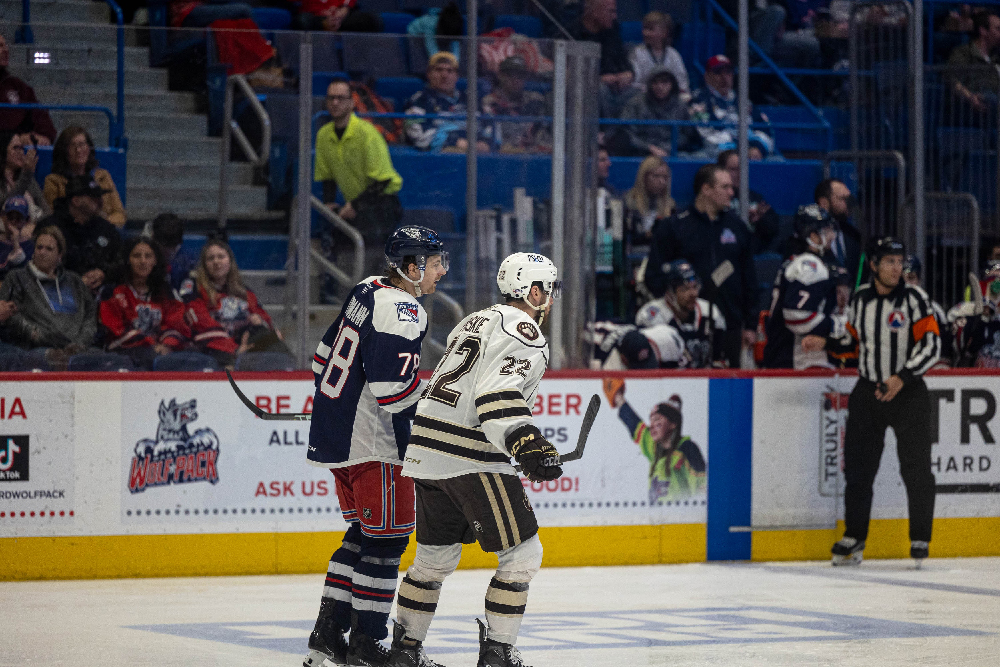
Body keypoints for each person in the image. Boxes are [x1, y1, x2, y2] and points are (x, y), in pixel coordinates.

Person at [387, 252, 563, 667]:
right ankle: (498, 653)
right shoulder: (526, 331)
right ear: (534, 291)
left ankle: (404, 653)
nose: (550, 299)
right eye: (548, 289)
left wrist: (521, 439)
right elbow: (495, 395)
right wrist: (526, 442)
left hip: (426, 452)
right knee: (522, 556)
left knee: (432, 561)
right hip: (470, 455)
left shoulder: (475, 319)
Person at [303, 226, 449, 667]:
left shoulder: (366, 289)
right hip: (375, 445)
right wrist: (437, 409)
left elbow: (319, 359)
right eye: (436, 262)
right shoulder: (404, 309)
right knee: (387, 543)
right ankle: (367, 645)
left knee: (362, 535)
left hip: (338, 437)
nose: (442, 270)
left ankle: (327, 634)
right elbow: (391, 391)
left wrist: (344, 402)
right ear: (411, 267)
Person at [823, 237, 940, 567]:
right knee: (858, 470)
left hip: (908, 394)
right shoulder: (860, 299)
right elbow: (850, 341)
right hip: (868, 393)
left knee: (916, 469)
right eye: (888, 261)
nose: (896, 267)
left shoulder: (915, 298)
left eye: (899, 261)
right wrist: (825, 339)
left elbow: (931, 346)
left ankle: (920, 537)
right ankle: (854, 535)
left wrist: (901, 377)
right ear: (873, 265)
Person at [645, 164, 757, 368]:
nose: (732, 193)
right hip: (684, 329)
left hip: (729, 327)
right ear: (706, 189)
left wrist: (750, 324)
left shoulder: (738, 227)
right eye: (725, 187)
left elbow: (749, 278)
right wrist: (677, 312)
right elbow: (654, 276)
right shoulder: (674, 227)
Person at [316, 78, 404, 277]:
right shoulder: (324, 135)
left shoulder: (367, 133)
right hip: (356, 204)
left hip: (382, 203)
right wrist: (329, 202)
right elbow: (327, 176)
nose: (335, 103)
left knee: (368, 250)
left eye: (341, 98)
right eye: (331, 98)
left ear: (351, 102)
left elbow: (383, 181)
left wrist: (355, 205)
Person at [761, 205, 845, 370]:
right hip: (797, 360)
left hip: (785, 357)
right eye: (826, 231)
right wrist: (836, 325)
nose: (832, 236)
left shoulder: (797, 261)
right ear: (813, 236)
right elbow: (797, 315)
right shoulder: (810, 264)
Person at [180, 238, 290, 362]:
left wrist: (263, 326)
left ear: (230, 261)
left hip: (243, 346)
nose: (216, 262)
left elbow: (264, 319)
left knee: (274, 344)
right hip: (213, 347)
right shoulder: (195, 289)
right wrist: (235, 349)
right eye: (210, 258)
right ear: (204, 265)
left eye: (221, 257)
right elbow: (200, 323)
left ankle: (289, 374)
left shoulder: (244, 292)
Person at [0, 226, 97, 362]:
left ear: (60, 255)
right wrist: (40, 337)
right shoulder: (17, 278)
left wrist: (79, 344)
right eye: (39, 247)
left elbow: (90, 316)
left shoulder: (74, 281)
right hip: (36, 350)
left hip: (78, 349)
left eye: (49, 249)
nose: (42, 252)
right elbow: (10, 316)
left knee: (114, 361)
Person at [602, 380, 706, 504]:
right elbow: (634, 423)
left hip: (679, 518)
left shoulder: (687, 449)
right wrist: (618, 397)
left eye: (657, 420)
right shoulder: (655, 448)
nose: (652, 426)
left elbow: (702, 489)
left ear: (673, 424)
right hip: (657, 518)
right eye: (651, 420)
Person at [98, 237, 190, 370]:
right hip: (122, 356)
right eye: (136, 256)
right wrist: (151, 345)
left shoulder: (167, 293)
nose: (143, 261)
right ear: (127, 260)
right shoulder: (111, 292)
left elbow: (176, 324)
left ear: (155, 261)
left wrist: (167, 344)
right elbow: (115, 329)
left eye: (148, 256)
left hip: (160, 353)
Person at [636, 259, 726, 368]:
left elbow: (719, 360)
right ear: (670, 293)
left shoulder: (710, 312)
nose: (693, 293)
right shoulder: (652, 316)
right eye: (685, 289)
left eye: (695, 287)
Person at [170, 1, 284, 86]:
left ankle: (260, 56)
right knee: (244, 11)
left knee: (243, 17)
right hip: (186, 12)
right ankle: (260, 56)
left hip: (201, 6)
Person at [41, 175, 122, 293]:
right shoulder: (51, 227)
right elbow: (41, 264)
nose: (100, 201)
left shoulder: (106, 228)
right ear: (76, 201)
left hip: (100, 292)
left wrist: (104, 273)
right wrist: (75, 280)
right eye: (93, 198)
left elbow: (120, 261)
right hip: (58, 292)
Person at [688, 55, 774, 158]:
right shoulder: (697, 101)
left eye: (728, 72)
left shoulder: (744, 102)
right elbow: (704, 133)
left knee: (778, 161)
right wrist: (739, 150)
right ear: (707, 76)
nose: (724, 77)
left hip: (748, 154)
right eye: (718, 72)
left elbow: (766, 128)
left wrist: (757, 147)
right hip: (716, 156)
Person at [405, 52, 490, 153]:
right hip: (443, 156)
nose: (444, 75)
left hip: (480, 153)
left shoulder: (472, 100)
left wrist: (486, 142)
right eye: (438, 70)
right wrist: (454, 141)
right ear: (429, 74)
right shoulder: (418, 101)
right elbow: (419, 137)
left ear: (457, 76)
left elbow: (490, 126)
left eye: (450, 71)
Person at [43, 126, 126, 228]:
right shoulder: (53, 181)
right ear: (64, 151)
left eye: (82, 145)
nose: (78, 150)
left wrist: (102, 225)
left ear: (89, 147)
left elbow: (119, 214)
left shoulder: (103, 176)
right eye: (72, 146)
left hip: (104, 230)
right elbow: (53, 217)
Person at [571, 0, 635, 117]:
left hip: (617, 87)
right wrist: (598, 79)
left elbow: (624, 62)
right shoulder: (570, 34)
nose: (614, 16)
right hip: (589, 89)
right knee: (600, 91)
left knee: (638, 94)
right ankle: (605, 132)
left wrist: (628, 74)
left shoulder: (613, 32)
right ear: (595, 12)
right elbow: (569, 73)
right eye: (611, 12)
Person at [617, 68, 695, 158]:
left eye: (664, 82)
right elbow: (625, 133)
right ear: (649, 84)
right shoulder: (636, 103)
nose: (660, 87)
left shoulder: (680, 106)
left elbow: (688, 134)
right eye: (655, 82)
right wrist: (649, 148)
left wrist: (667, 147)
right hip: (640, 153)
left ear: (672, 84)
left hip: (672, 153)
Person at [480, 56, 551, 154]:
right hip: (502, 156)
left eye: (520, 75)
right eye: (510, 75)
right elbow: (490, 137)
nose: (515, 79)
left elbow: (543, 132)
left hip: (531, 156)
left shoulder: (535, 100)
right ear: (500, 76)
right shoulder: (490, 102)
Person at [717, 149, 779, 254]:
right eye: (733, 169)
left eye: (741, 169)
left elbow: (773, 231)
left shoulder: (754, 198)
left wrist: (760, 220)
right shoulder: (714, 199)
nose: (739, 174)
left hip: (749, 256)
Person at [0, 35, 56, 145]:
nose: (5, 49)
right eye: (0, 46)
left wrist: (44, 137)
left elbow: (41, 118)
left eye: (5, 45)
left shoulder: (17, 86)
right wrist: (15, 139)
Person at [902, 254, 953, 367]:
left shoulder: (934, 310)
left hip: (925, 370)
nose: (906, 284)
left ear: (919, 280)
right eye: (901, 279)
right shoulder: (884, 309)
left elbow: (943, 354)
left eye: (911, 278)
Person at [947, 11, 1000, 114]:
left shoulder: (997, 57)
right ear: (983, 31)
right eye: (998, 29)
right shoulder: (963, 53)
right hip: (970, 107)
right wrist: (970, 97)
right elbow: (951, 79)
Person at [629, 11, 689, 98]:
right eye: (644, 28)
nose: (645, 33)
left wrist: (668, 90)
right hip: (645, 98)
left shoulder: (673, 54)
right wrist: (654, 90)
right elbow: (634, 83)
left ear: (664, 32)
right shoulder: (637, 52)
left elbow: (682, 82)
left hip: (669, 98)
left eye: (650, 29)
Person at [814, 178, 862, 281]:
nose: (848, 204)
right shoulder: (809, 235)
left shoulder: (853, 235)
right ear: (824, 203)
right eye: (842, 199)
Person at [0, 132, 50, 222]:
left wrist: (34, 226)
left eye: (22, 148)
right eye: (15, 148)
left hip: (32, 228)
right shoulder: (26, 176)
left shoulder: (29, 179)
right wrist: (26, 175)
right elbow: (6, 206)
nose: (21, 152)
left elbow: (47, 211)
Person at [147, 213, 196, 293]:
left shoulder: (188, 260)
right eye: (164, 247)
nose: (168, 252)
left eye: (172, 247)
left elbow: (187, 292)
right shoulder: (144, 256)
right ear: (153, 239)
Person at [0, 195, 35, 279]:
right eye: (10, 218)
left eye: (18, 219)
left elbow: (26, 274)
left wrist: (16, 245)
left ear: (27, 221)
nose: (13, 222)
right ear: (3, 218)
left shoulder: (30, 245)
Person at [293, 0, 379, 32]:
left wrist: (344, 10)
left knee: (369, 21)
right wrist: (323, 20)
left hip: (341, 18)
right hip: (315, 18)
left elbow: (347, 4)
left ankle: (356, 68)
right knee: (302, 21)